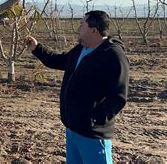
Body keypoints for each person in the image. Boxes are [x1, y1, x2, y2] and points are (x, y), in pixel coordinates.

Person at [26, 10, 129, 163]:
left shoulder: (113, 55)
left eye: (82, 25)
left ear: (94, 30)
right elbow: (59, 61)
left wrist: (93, 120)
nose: (78, 28)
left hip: (92, 134)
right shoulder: (81, 49)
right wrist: (37, 48)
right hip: (72, 128)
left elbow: (118, 96)